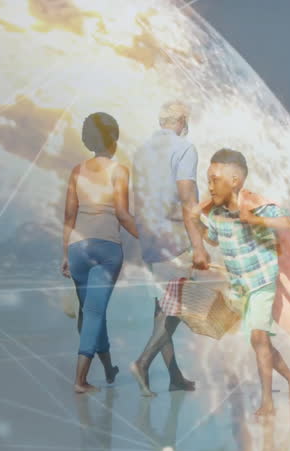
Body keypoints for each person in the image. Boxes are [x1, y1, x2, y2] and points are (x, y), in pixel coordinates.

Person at [199, 148, 290, 416]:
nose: (209, 186)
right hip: (240, 286)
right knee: (261, 342)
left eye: (214, 180)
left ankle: (267, 401)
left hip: (262, 281)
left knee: (258, 338)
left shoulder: (255, 205)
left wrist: (254, 219)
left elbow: (288, 223)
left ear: (235, 180)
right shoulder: (215, 213)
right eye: (207, 180)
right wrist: (195, 240)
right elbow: (211, 239)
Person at [129, 100, 210, 396]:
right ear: (182, 120)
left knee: (162, 305)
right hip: (175, 236)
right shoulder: (184, 148)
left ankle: (174, 376)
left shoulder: (141, 151)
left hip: (149, 236)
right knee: (176, 308)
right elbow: (188, 199)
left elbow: (138, 196)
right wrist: (199, 245)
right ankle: (142, 362)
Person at [61, 112, 139, 394]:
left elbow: (69, 217)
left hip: (78, 249)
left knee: (93, 311)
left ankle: (108, 369)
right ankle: (80, 380)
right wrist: (147, 239)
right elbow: (122, 214)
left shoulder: (77, 171)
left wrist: (65, 255)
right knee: (94, 312)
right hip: (106, 248)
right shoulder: (120, 171)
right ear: (113, 138)